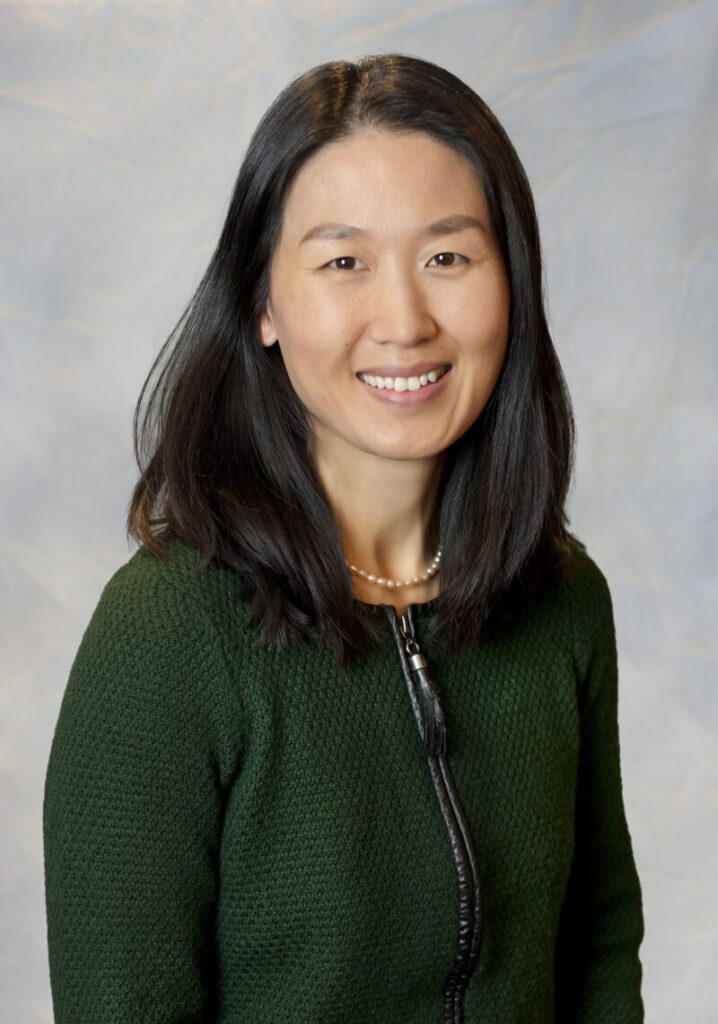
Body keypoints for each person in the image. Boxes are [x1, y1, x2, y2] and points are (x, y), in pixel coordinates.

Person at [43, 53, 645, 1023]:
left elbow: (598, 948)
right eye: (342, 262)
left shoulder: (566, 601)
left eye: (447, 256)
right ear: (263, 303)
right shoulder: (164, 632)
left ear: (512, 282)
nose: (404, 320)